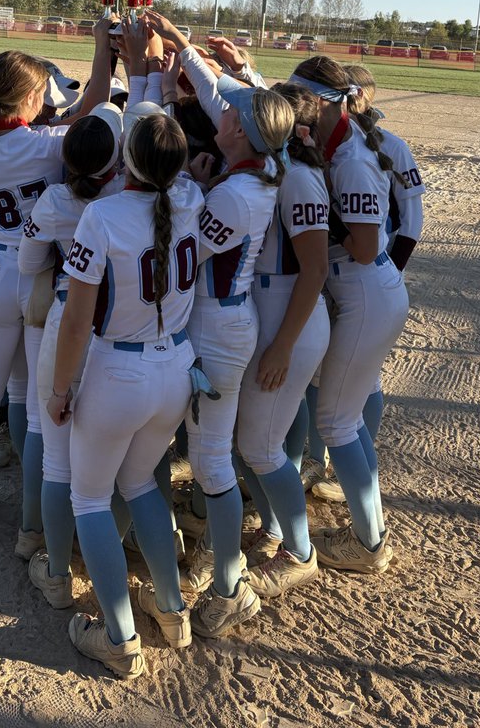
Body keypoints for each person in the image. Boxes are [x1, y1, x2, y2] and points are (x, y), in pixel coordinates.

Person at [0, 29, 112, 543]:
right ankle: (31, 525)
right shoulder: (48, 145)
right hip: (39, 281)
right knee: (36, 413)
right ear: (34, 98)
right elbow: (93, 103)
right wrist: (104, 51)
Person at [48, 111, 202, 679]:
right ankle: (172, 610)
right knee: (140, 484)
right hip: (176, 366)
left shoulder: (103, 214)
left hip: (119, 371)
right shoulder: (188, 197)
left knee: (90, 499)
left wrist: (62, 388)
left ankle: (119, 638)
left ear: (126, 162)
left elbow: (75, 322)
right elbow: (177, 179)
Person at [179, 77, 295, 638]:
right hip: (224, 317)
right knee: (212, 455)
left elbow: (182, 252)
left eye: (234, 113)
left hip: (217, 325)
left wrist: (185, 191)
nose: (222, 114)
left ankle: (231, 586)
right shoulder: (249, 177)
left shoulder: (234, 193)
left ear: (242, 134)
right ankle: (218, 559)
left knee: (211, 461)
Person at [291, 55, 409, 573]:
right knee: (347, 417)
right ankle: (372, 530)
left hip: (365, 290)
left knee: (336, 422)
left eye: (303, 97)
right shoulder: (336, 142)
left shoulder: (354, 160)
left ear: (327, 102)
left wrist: (320, 214)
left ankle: (369, 544)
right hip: (363, 293)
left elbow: (361, 247)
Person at [17, 104, 125, 608]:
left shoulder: (56, 200)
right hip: (120, 328)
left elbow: (28, 262)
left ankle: (55, 568)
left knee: (55, 455)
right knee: (122, 462)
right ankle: (105, 547)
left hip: (66, 318)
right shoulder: (130, 193)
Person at [236, 83, 331, 599]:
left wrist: (282, 347)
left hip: (291, 322)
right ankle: (275, 530)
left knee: (260, 444)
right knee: (253, 441)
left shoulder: (297, 180)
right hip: (274, 315)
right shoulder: (280, 171)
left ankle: (300, 551)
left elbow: (315, 269)